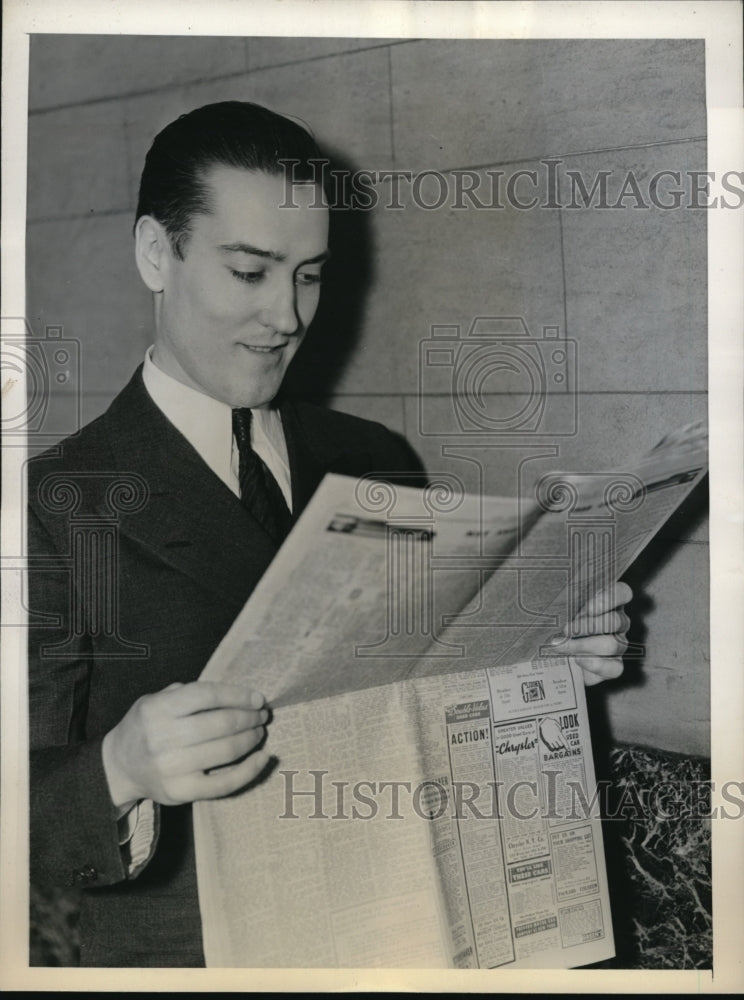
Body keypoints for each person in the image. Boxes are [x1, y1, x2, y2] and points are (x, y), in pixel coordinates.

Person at [27, 101, 632, 967]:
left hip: (401, 932)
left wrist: (539, 659)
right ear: (157, 254)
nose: (287, 317)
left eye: (309, 275)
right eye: (250, 272)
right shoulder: (52, 503)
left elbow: (422, 709)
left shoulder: (374, 460)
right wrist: (120, 770)